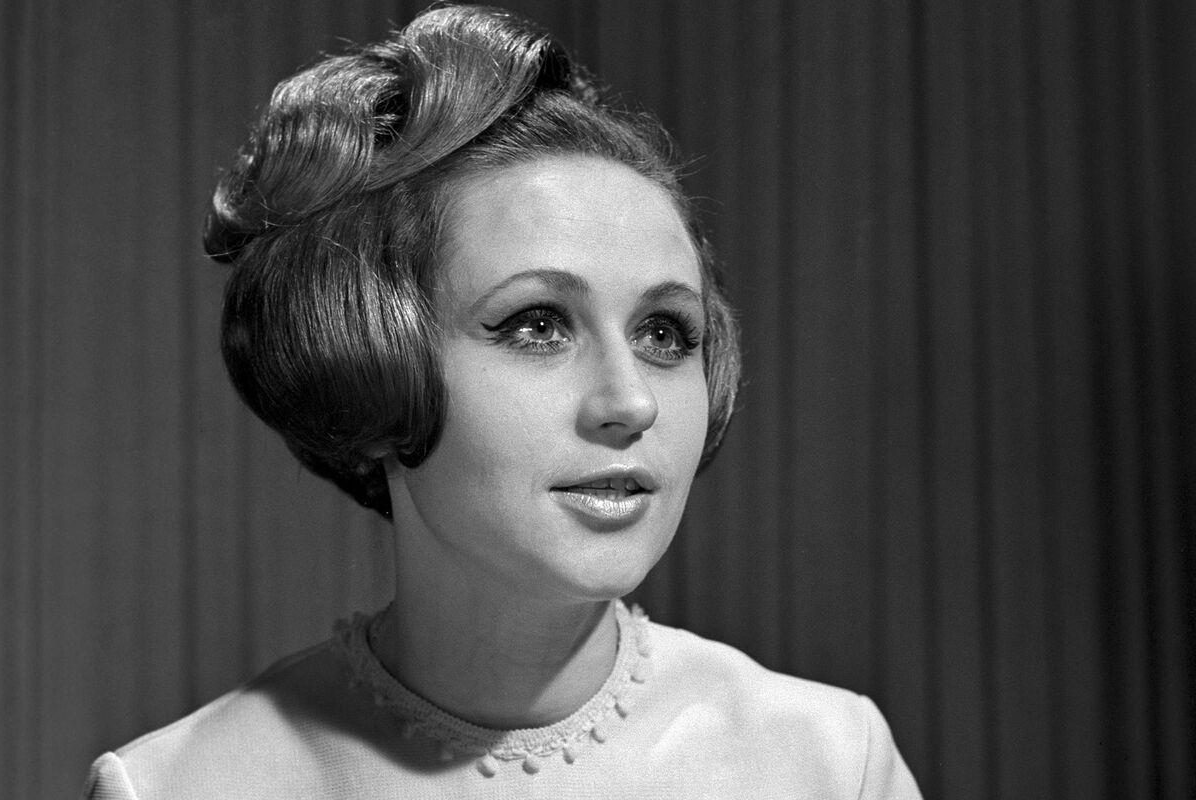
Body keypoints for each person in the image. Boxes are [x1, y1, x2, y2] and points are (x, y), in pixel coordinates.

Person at [84, 5, 922, 798]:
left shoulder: (828, 763)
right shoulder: (176, 786)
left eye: (665, 333)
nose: (631, 401)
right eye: (537, 325)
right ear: (364, 358)